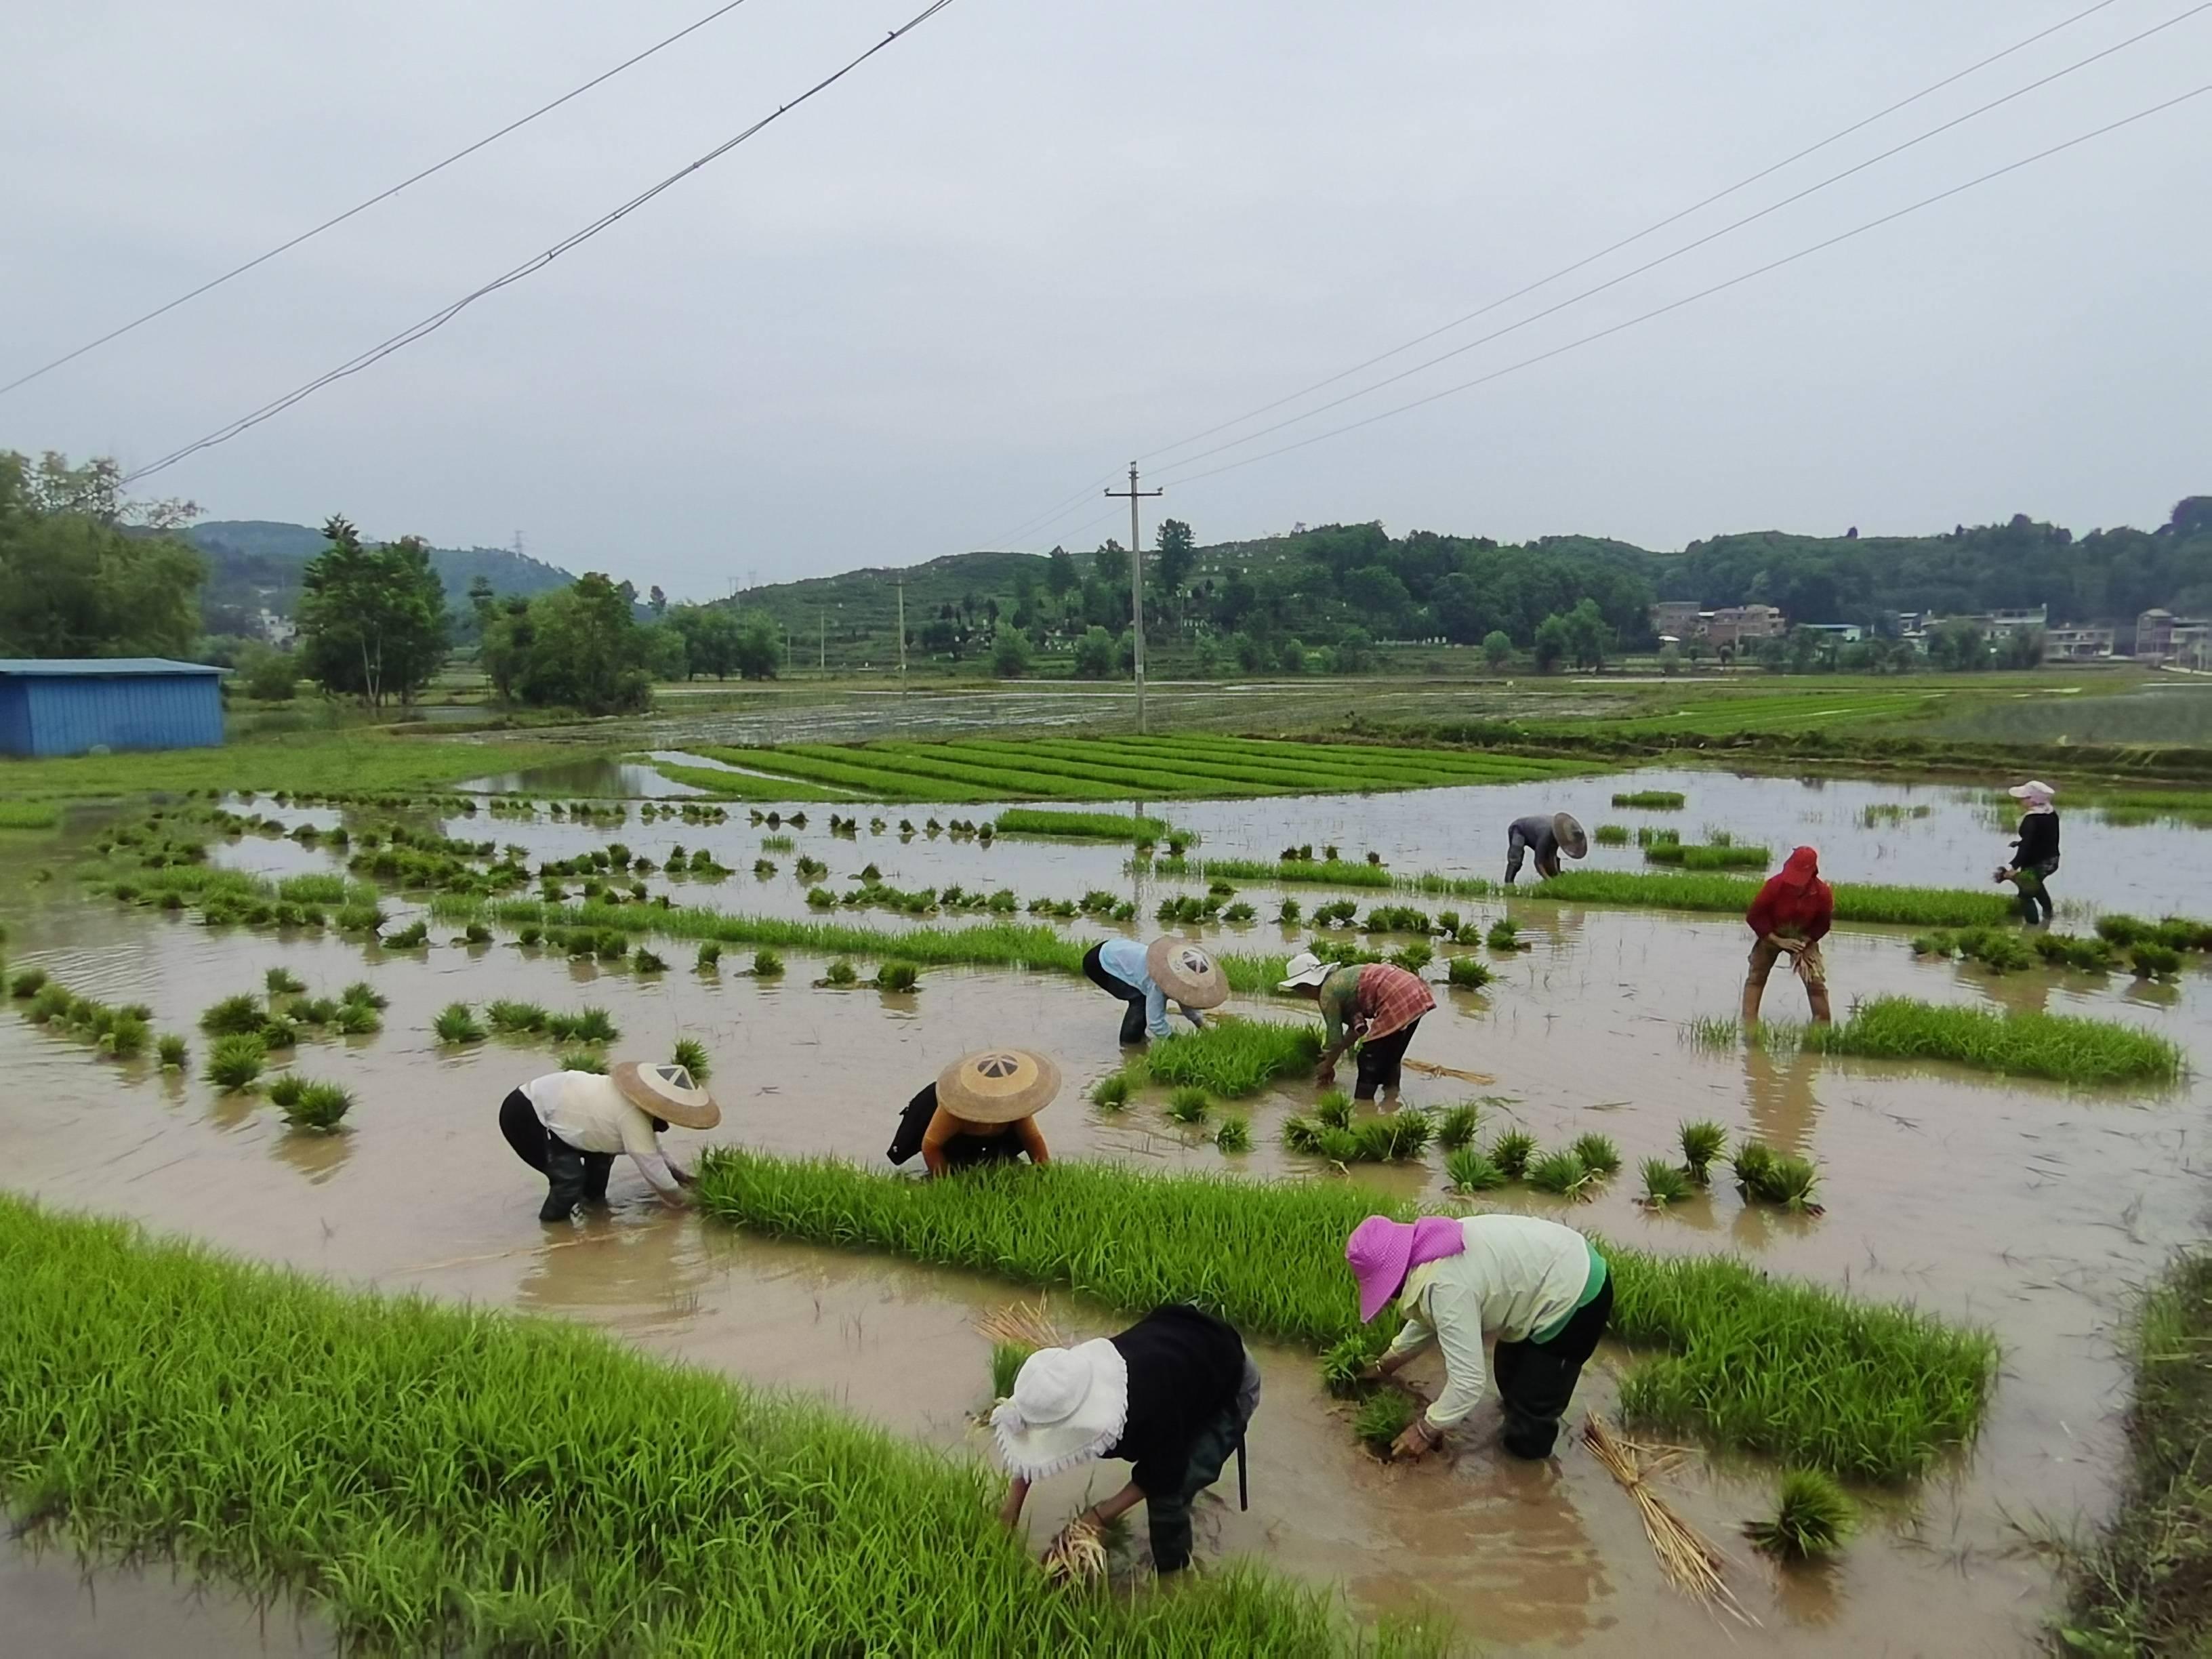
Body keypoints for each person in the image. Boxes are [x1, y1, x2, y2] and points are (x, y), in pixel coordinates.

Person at [995, 1303, 1260, 1576]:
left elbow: (1161, 1473)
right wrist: (1010, 1512)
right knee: (1171, 1438)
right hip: (1180, 1344)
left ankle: (1175, 1577)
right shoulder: (1061, 1380)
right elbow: (1032, 1438)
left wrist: (1094, 1520)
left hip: (1229, 1370)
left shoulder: (1145, 1410)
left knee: (1172, 1492)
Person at [1345, 1212, 1612, 1461]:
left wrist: (1426, 1429)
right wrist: (1385, 1365)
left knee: (1531, 1420)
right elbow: (1430, 1319)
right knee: (1509, 1375)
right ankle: (1516, 1424)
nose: (1391, 1298)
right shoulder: (1432, 1249)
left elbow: (1468, 1382)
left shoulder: (1445, 1285)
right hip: (1554, 1268)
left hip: (1579, 1294)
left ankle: (1531, 1485)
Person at [498, 1061, 716, 1223]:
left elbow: (655, 1152)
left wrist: (684, 1177)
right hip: (526, 1113)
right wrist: (690, 1203)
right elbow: (654, 1171)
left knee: (601, 1161)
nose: (667, 1125)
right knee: (570, 1179)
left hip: (561, 1113)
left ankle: (594, 1213)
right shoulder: (633, 1115)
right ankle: (554, 1230)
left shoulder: (637, 1106)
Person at [1279, 951, 1436, 1101]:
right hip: (1414, 988)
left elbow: (1334, 1038)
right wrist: (1334, 1056)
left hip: (1395, 995)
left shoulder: (1327, 993)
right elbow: (1358, 1030)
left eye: (1299, 991)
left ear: (1306, 987)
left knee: (1368, 1059)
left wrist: (1327, 1065)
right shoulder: (1342, 981)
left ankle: (1363, 1107)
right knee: (1391, 1057)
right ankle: (1391, 1101)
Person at [886, 1048, 1059, 1176]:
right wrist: (946, 1186)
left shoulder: (1014, 1101)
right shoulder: (956, 1103)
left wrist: (1045, 1174)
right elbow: (931, 1145)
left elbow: (1032, 1138)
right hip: (935, 1118)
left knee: (995, 1159)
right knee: (954, 1160)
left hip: (983, 1135)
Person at [1742, 845, 1835, 1027]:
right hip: (1773, 933)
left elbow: (1823, 924)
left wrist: (1805, 941)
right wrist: (1777, 940)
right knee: (1756, 976)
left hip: (1803, 937)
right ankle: (1749, 1024)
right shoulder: (1775, 886)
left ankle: (1823, 1027)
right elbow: (1754, 916)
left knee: (1815, 982)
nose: (1794, 884)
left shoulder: (1822, 894)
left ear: (1812, 874)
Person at [1081, 937, 1226, 1046]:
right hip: (1100, 962)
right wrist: (1177, 1042)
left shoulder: (1175, 973)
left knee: (1144, 1000)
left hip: (1116, 947)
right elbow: (1156, 1023)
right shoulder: (1158, 982)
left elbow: (1185, 999)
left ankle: (1138, 1037)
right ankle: (1129, 1046)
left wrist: (1203, 1027)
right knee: (1140, 1000)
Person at [1998, 779, 2060, 926]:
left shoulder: (2031, 819)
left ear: (2033, 800)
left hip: (2037, 863)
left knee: (2025, 894)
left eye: (2024, 798)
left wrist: (2014, 867)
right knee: (2036, 886)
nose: (2020, 801)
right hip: (2052, 860)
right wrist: (2019, 842)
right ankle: (2048, 916)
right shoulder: (2050, 813)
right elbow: (2044, 837)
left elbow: (2027, 845)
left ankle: (2032, 929)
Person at [1504, 811, 1588, 884]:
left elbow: (1553, 855)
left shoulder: (1559, 835)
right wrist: (1549, 880)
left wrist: (1557, 874)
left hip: (1534, 834)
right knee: (1516, 861)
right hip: (1519, 829)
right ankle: (1508, 884)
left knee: (1548, 860)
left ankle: (1552, 877)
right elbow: (1538, 862)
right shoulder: (1546, 834)